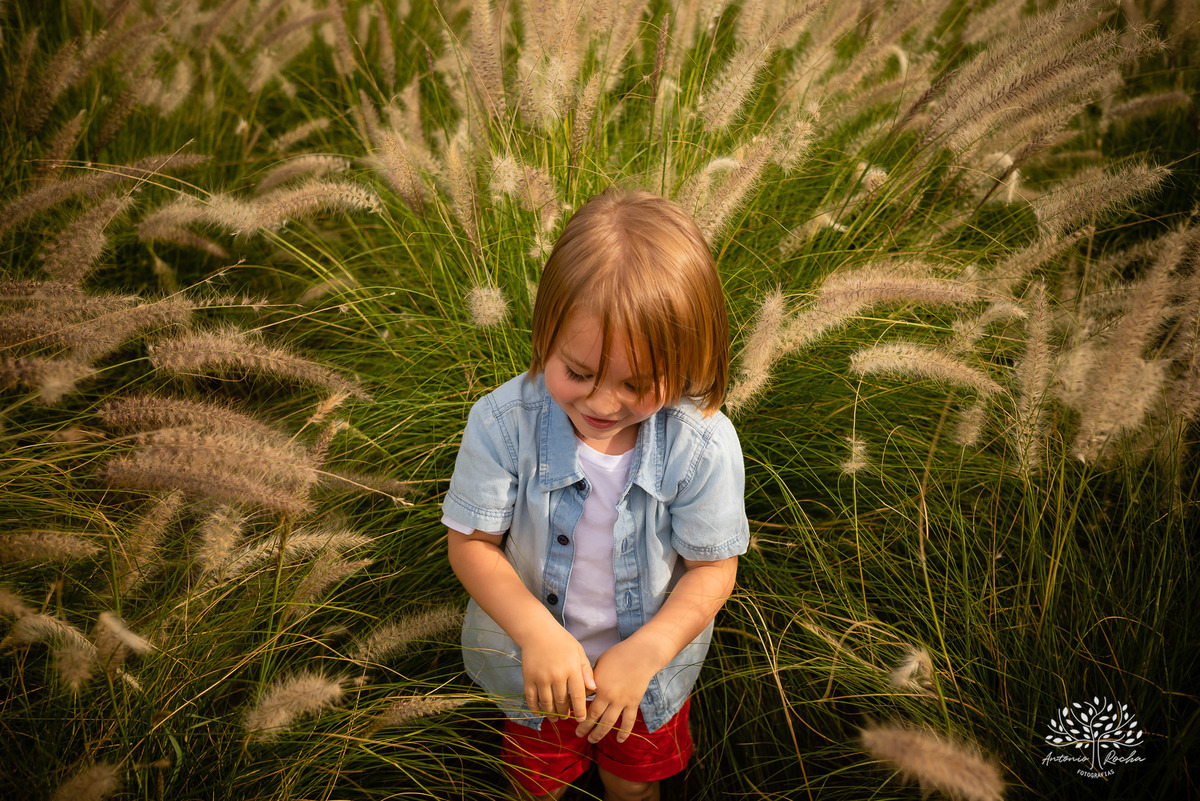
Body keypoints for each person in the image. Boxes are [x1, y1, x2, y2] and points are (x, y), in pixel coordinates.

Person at [443, 187, 749, 801]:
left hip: (646, 675)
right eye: (578, 372)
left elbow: (713, 568)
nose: (602, 403)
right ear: (545, 332)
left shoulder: (702, 443)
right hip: (537, 669)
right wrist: (536, 632)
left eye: (636, 384)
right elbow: (471, 544)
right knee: (536, 783)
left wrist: (647, 653)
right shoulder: (504, 422)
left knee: (631, 787)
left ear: (688, 358)